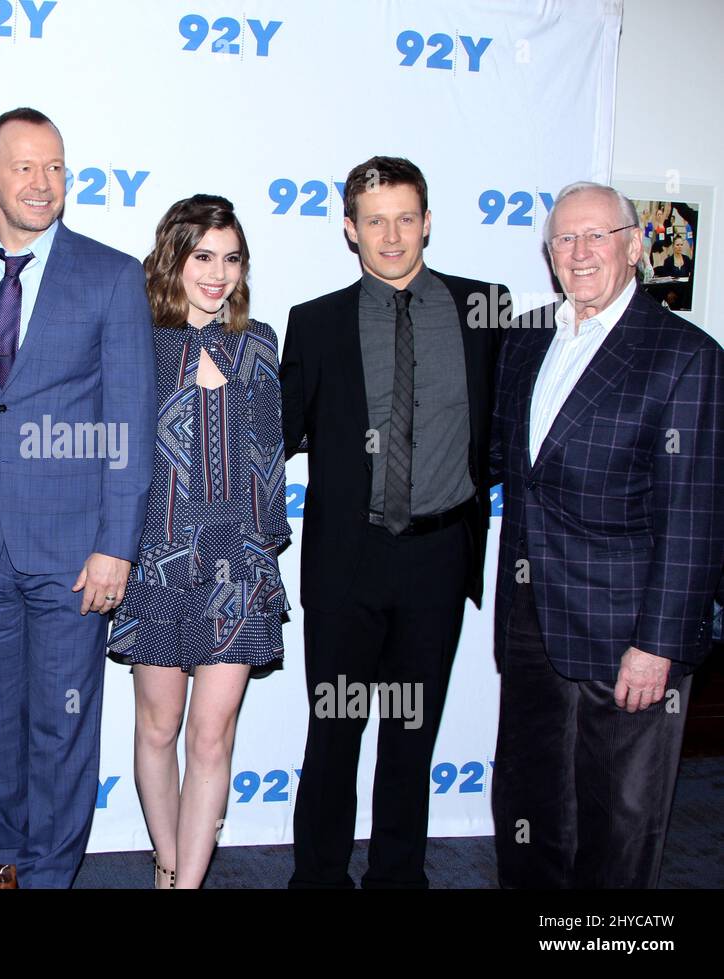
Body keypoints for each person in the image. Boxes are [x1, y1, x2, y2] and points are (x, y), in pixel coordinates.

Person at [0, 107, 155, 888]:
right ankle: (7, 860)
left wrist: (117, 544)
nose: (41, 182)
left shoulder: (110, 273)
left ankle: (52, 874)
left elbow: (127, 422)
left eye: (54, 167)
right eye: (22, 166)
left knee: (60, 723)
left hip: (74, 551)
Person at [279, 156, 508, 888]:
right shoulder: (315, 323)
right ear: (350, 228)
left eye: (405, 217)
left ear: (429, 221)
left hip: (437, 558)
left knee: (412, 738)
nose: (391, 234)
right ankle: (317, 878)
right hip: (347, 561)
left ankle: (398, 878)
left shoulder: (486, 309)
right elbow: (275, 433)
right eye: (374, 220)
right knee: (334, 734)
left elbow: (511, 428)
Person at [490, 181, 724, 889]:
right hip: (530, 620)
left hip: (629, 632)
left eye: (597, 236)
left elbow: (697, 515)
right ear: (549, 253)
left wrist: (659, 643)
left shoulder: (682, 354)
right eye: (564, 239)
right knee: (528, 803)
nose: (580, 251)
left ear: (633, 246)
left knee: (618, 821)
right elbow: (512, 468)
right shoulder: (526, 337)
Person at [108, 195, 289, 888]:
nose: (218, 273)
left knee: (212, 732)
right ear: (174, 259)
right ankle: (167, 860)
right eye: (203, 256)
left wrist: (264, 549)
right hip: (158, 558)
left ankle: (188, 886)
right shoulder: (138, 344)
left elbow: (268, 454)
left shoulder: (259, 342)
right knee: (160, 726)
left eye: (231, 258)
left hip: (237, 564)